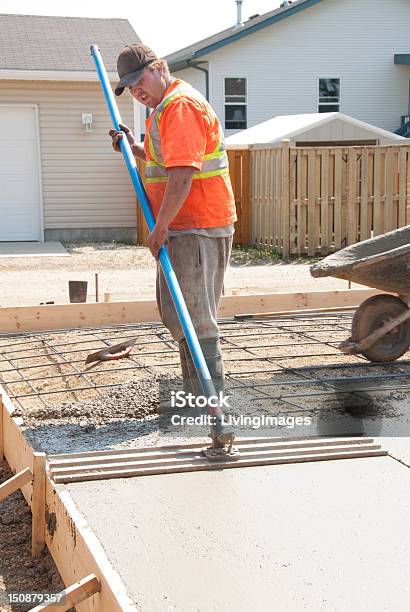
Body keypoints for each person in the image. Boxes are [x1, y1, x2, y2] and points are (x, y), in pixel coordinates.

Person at [110, 43, 237, 449]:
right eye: (129, 88)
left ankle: (218, 416)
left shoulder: (180, 106)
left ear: (159, 68)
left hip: (195, 226)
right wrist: (134, 147)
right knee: (178, 315)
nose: (136, 91)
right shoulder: (164, 110)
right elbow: (166, 162)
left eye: (139, 81)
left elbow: (184, 172)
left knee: (197, 318)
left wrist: (160, 226)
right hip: (185, 228)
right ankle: (199, 405)